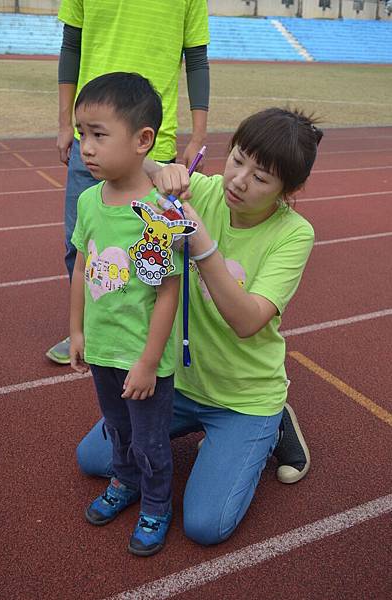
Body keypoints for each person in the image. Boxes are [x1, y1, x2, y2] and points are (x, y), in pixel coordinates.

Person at [76, 107, 323, 546]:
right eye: (238, 159)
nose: (239, 181)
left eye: (261, 178)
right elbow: (138, 161)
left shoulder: (294, 235)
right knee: (95, 459)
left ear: (289, 190)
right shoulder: (204, 190)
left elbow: (247, 321)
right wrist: (163, 169)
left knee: (204, 526)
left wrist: (201, 243)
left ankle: (272, 425)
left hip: (242, 395)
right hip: (179, 383)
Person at [69, 72, 194, 556]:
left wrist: (147, 362)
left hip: (143, 358)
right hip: (102, 349)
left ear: (144, 140)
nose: (87, 147)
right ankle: (126, 483)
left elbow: (167, 293)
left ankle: (157, 503)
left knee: (149, 440)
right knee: (116, 428)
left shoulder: (160, 211)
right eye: (82, 133)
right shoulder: (87, 200)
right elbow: (82, 264)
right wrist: (76, 329)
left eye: (99, 134)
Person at [47, 0, 210, 364]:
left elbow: (196, 58)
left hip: (153, 139)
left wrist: (198, 134)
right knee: (81, 245)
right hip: (92, 131)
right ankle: (90, 329)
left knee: (155, 259)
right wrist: (66, 125)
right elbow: (71, 44)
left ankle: (152, 344)